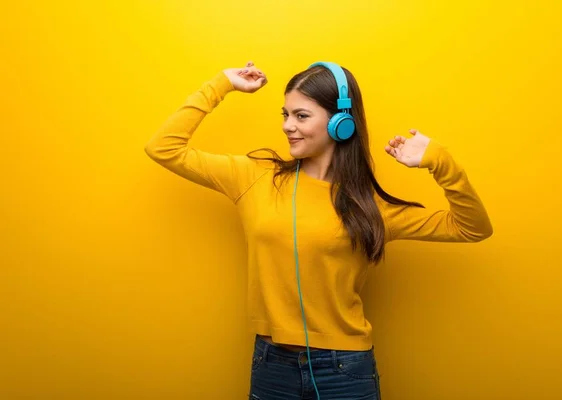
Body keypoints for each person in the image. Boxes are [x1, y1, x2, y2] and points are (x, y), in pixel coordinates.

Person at [144, 60, 493, 399]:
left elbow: (471, 228)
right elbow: (164, 148)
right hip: (272, 364)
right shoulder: (254, 177)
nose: (287, 126)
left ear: (341, 122)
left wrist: (441, 162)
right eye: (285, 114)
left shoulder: (369, 207)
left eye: (301, 115)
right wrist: (221, 83)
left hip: (347, 369)